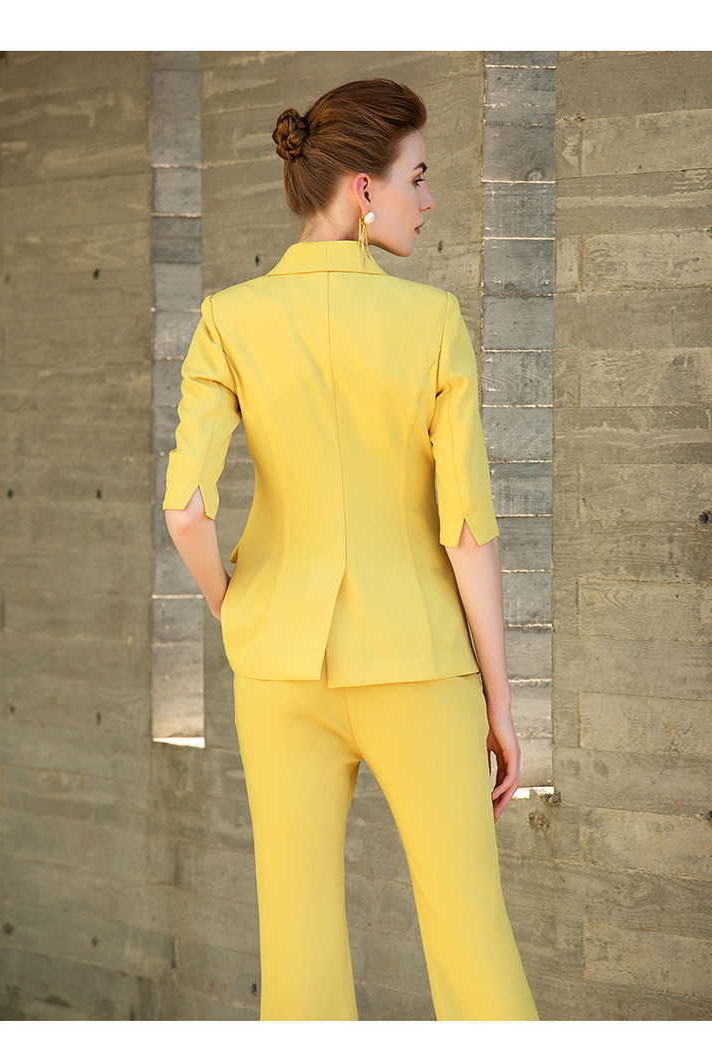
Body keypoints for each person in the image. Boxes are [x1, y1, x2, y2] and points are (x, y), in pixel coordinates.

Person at [162, 78, 538, 1022]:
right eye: (419, 176)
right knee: (471, 938)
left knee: (297, 949)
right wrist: (499, 702)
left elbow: (186, 512)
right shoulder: (430, 323)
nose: (429, 198)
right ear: (364, 189)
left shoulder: (228, 318)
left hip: (279, 670)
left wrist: (236, 605)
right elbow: (467, 528)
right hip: (419, 665)